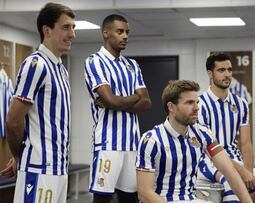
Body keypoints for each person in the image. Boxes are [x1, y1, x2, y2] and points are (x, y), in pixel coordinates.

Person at [0, 3, 75, 203]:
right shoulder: (36, 65)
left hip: (59, 169)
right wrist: (19, 157)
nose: (72, 34)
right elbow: (13, 120)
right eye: (66, 27)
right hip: (38, 169)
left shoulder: (61, 70)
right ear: (47, 30)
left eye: (73, 27)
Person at [136, 80, 252, 203]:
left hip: (191, 199)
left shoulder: (203, 134)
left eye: (197, 102)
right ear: (171, 107)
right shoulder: (151, 140)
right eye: (189, 103)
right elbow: (144, 194)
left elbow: (230, 171)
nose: (197, 108)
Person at [84, 14, 151, 203]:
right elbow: (111, 100)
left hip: (131, 144)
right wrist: (133, 98)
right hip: (108, 143)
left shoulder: (132, 65)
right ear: (106, 33)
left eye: (127, 32)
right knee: (102, 198)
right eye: (120, 31)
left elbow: (146, 103)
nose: (125, 36)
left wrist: (116, 101)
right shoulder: (94, 61)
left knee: (130, 198)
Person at [197, 53, 255, 203]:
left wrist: (248, 171)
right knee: (233, 187)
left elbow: (246, 143)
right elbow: (209, 149)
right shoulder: (199, 105)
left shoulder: (240, 103)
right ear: (210, 74)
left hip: (235, 157)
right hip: (209, 159)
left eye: (229, 70)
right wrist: (241, 172)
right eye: (221, 70)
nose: (227, 74)